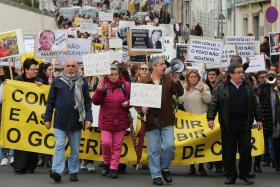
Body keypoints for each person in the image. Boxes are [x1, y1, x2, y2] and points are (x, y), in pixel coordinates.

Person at [207, 60, 263, 185]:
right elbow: (213, 104)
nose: (241, 75)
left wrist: (259, 119)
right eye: (238, 72)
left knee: (246, 151)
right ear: (231, 74)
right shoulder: (222, 88)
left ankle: (245, 174)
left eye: (242, 72)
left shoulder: (248, 87)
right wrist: (210, 118)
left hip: (245, 125)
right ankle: (230, 175)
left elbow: (255, 105)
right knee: (228, 152)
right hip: (228, 126)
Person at [44, 59, 92, 183]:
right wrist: (47, 118)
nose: (70, 68)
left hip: (76, 121)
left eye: (73, 66)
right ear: (64, 67)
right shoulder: (57, 81)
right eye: (68, 66)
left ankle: (73, 171)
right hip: (60, 120)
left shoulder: (83, 81)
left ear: (77, 67)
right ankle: (56, 171)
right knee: (59, 146)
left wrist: (88, 118)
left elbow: (87, 101)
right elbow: (50, 101)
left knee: (75, 149)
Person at [139, 57, 184, 185]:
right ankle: (156, 175)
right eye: (161, 64)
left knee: (169, 146)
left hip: (166, 120)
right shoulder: (143, 81)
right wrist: (141, 109)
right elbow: (136, 100)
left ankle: (165, 168)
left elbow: (179, 93)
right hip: (151, 121)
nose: (165, 66)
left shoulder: (169, 79)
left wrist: (177, 82)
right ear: (154, 67)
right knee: (154, 150)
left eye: (165, 64)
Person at [92, 64, 130, 179]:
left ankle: (114, 168)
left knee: (117, 146)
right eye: (111, 75)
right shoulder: (102, 85)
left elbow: (134, 98)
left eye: (115, 74)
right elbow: (95, 101)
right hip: (106, 122)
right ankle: (106, 163)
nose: (114, 77)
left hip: (121, 121)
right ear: (107, 75)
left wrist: (128, 102)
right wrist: (98, 91)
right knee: (106, 143)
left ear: (119, 74)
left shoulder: (126, 86)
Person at [13, 58, 42, 174]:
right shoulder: (16, 81)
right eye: (33, 69)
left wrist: (43, 86)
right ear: (25, 70)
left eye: (36, 69)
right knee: (20, 141)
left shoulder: (39, 81)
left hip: (33, 117)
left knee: (32, 139)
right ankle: (19, 166)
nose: (35, 71)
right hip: (20, 117)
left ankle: (31, 165)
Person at [183, 70, 212, 176]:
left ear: (198, 77)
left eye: (195, 77)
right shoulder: (185, 88)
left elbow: (209, 100)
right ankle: (191, 166)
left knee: (200, 144)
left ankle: (200, 166)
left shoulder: (203, 86)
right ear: (188, 78)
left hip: (200, 120)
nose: (193, 78)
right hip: (188, 120)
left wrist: (202, 91)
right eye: (191, 77)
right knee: (190, 144)